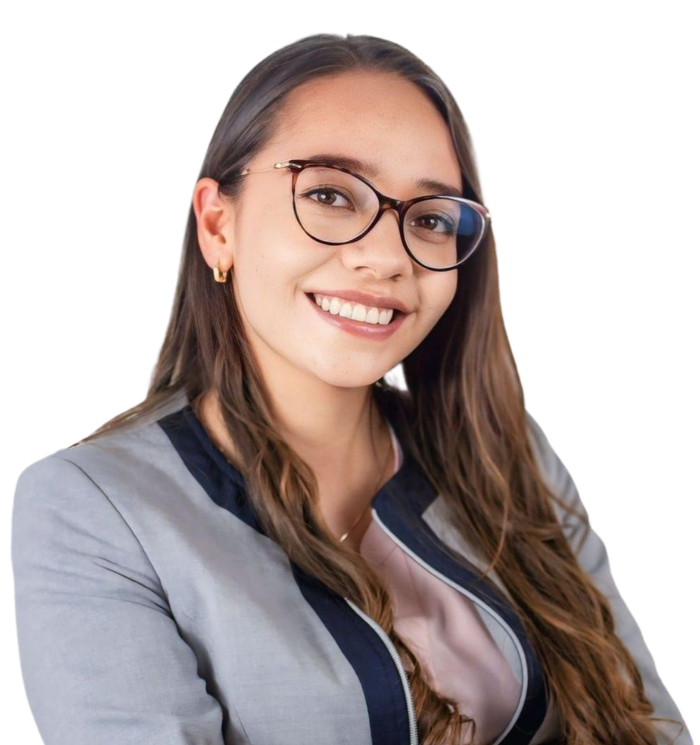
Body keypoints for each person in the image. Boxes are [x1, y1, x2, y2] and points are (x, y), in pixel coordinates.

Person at [10, 33, 692, 745]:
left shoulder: (504, 452)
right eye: (330, 194)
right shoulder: (94, 509)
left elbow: (647, 724)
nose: (388, 257)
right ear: (218, 224)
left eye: (430, 218)